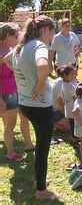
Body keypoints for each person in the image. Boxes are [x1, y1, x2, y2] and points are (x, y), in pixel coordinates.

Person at [7, 15, 58, 200]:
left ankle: (39, 179)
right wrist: (37, 87)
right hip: (40, 106)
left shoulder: (20, 47)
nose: (53, 36)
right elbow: (44, 67)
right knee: (42, 149)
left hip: (25, 104)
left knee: (41, 146)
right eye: (53, 31)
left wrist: (24, 81)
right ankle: (41, 190)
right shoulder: (38, 46)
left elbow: (5, 60)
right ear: (45, 30)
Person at [0, 22, 34, 161]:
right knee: (10, 125)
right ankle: (10, 152)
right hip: (7, 92)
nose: (18, 37)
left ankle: (28, 144)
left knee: (24, 117)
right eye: (16, 35)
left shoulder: (11, 47)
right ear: (7, 35)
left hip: (18, 89)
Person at [58, 65, 78, 137]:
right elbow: (75, 97)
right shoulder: (68, 86)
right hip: (71, 107)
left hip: (69, 107)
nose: (74, 75)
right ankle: (75, 137)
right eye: (72, 74)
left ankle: (74, 136)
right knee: (74, 123)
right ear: (64, 75)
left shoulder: (66, 83)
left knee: (73, 123)